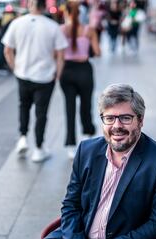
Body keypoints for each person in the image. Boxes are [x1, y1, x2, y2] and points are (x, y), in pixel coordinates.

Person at [12, 83, 156, 239]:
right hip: (80, 237)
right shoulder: (87, 150)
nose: (116, 126)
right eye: (109, 118)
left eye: (126, 118)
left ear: (140, 120)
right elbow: (71, 204)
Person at [2, 0, 68, 162]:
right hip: (45, 76)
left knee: (23, 106)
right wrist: (57, 74)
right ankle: (38, 148)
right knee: (41, 113)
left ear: (30, 5)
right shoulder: (53, 26)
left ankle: (23, 137)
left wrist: (15, 68)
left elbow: (7, 50)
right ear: (44, 6)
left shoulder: (17, 23)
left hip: (23, 74)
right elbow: (61, 55)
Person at [60, 0, 101, 159]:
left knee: (69, 108)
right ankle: (87, 135)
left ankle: (71, 145)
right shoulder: (89, 30)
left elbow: (57, 53)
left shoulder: (61, 30)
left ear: (66, 13)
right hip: (84, 69)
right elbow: (97, 52)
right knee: (86, 104)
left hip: (67, 71)